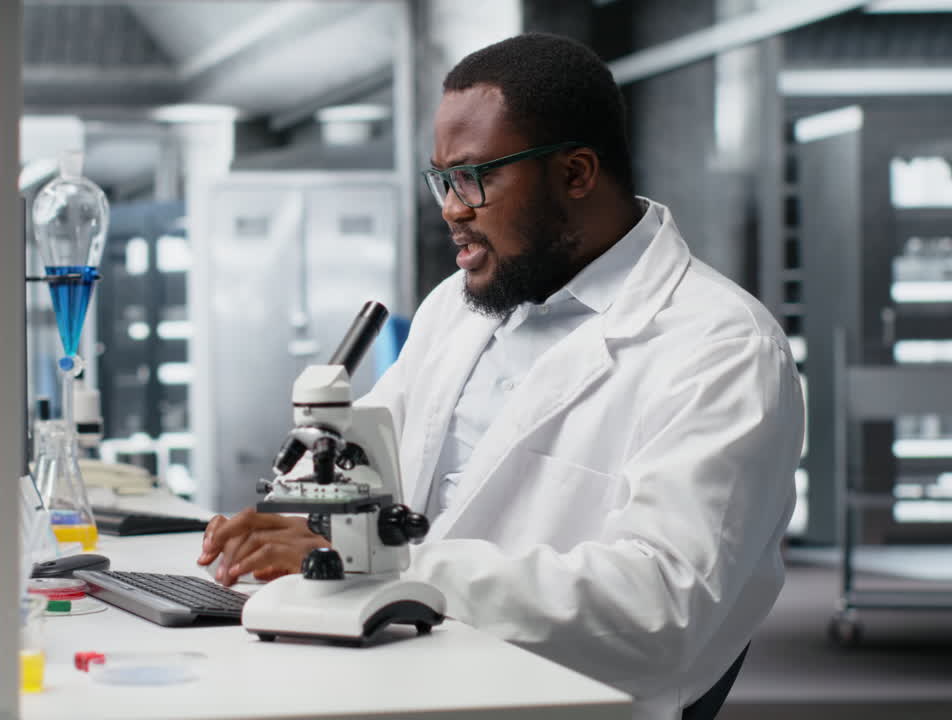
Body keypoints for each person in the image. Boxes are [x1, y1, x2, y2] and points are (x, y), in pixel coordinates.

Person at [197, 32, 803, 719]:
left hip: (553, 701)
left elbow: (659, 605)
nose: (451, 208)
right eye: (441, 180)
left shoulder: (720, 346)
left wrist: (388, 569)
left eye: (472, 177)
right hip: (412, 665)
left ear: (575, 174)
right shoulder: (458, 305)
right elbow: (366, 465)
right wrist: (293, 518)